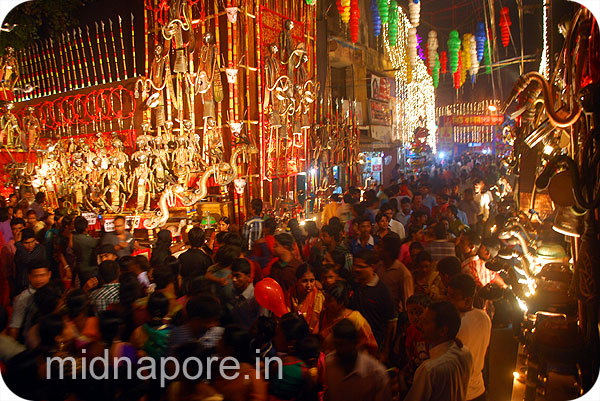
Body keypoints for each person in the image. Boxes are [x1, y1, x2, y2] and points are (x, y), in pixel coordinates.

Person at [403, 301, 472, 401]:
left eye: (426, 322)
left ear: (443, 331)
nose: (420, 325)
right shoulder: (465, 352)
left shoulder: (430, 370)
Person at [447, 274, 491, 401]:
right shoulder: (484, 317)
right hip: (479, 389)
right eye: (447, 294)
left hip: (460, 393)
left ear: (467, 300)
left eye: (452, 297)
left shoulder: (456, 324)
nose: (448, 300)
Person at [324, 319, 392, 401]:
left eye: (342, 344)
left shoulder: (376, 373)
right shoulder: (329, 364)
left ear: (355, 344)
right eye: (336, 344)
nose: (339, 349)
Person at [350, 249, 397, 358]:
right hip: (355, 344)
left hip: (374, 346)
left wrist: (385, 350)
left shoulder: (382, 291)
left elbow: (391, 323)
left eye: (361, 266)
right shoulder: (353, 284)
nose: (356, 269)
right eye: (354, 266)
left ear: (372, 267)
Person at [319, 281, 378, 356]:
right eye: (325, 299)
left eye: (329, 300)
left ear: (341, 302)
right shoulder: (323, 314)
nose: (325, 303)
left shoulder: (355, 318)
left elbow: (370, 345)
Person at [7, 263, 51, 340]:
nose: (39, 280)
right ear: (29, 277)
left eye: (42, 275)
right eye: (35, 276)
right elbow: (15, 327)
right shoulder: (23, 298)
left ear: (49, 275)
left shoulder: (53, 292)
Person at [375, 234, 413, 313]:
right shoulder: (379, 266)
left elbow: (407, 301)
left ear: (389, 251)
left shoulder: (403, 273)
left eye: (381, 247)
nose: (377, 250)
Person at [401, 294, 432, 387]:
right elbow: (408, 348)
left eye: (419, 312)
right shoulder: (410, 330)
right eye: (411, 313)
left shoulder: (432, 330)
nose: (414, 317)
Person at [287, 264, 324, 334]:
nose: (309, 285)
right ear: (297, 280)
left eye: (312, 281)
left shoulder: (318, 296)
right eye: (304, 281)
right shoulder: (290, 295)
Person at [231, 258, 264, 330]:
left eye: (238, 276)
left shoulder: (256, 297)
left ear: (248, 277)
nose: (234, 279)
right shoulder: (234, 292)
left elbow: (262, 322)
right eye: (232, 276)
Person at [178, 227, 213, 294]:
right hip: (202, 291)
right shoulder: (206, 258)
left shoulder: (182, 257)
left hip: (186, 291)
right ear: (203, 240)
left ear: (189, 240)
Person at [14, 228, 46, 295]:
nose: (31, 245)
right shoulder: (20, 250)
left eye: (32, 241)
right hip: (21, 285)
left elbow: (28, 261)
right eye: (27, 243)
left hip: (35, 286)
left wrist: (18, 244)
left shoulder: (39, 249)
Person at [0, 217, 24, 306]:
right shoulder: (8, 247)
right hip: (16, 283)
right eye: (14, 229)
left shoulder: (32, 243)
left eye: (20, 229)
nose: (17, 231)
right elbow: (7, 271)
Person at [72, 215, 100, 287]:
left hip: (80, 267)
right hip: (89, 269)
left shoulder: (74, 237)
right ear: (86, 228)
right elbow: (100, 242)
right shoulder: (87, 240)